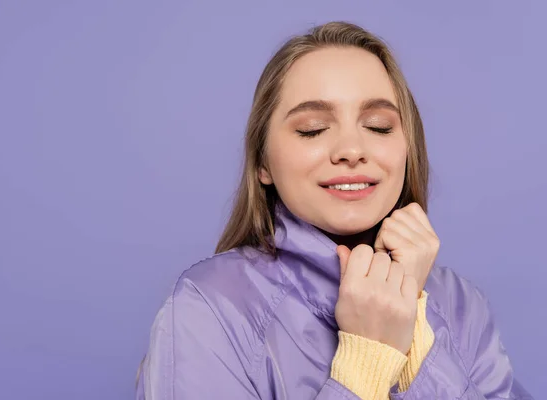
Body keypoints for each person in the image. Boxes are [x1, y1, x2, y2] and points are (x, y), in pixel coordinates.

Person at [135, 21, 534, 399]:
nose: (351, 151)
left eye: (378, 126)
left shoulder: (462, 303)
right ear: (263, 163)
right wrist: (364, 367)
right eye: (312, 129)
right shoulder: (207, 307)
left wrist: (418, 352)